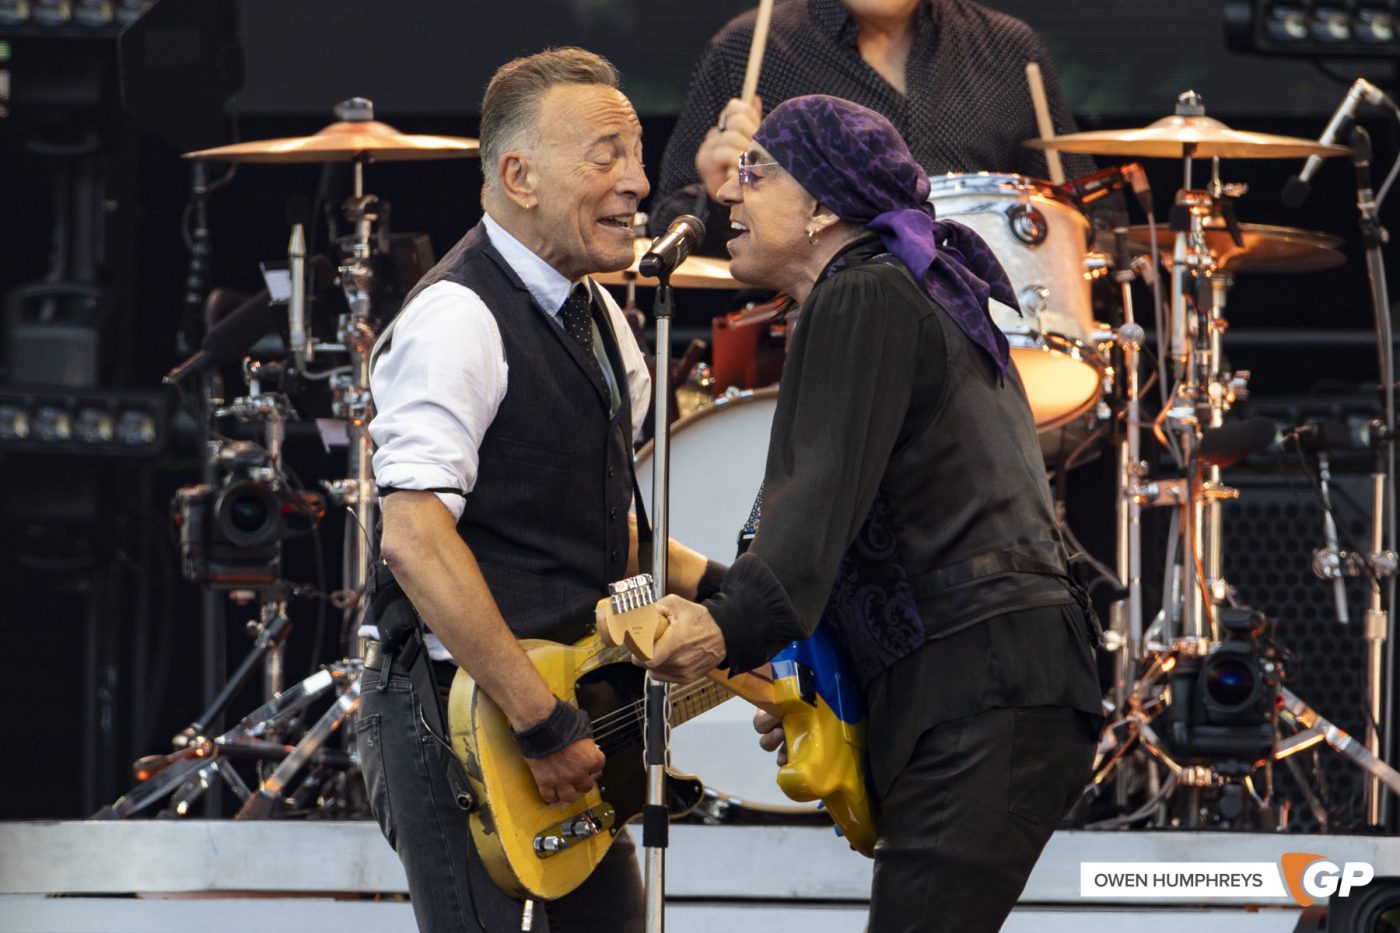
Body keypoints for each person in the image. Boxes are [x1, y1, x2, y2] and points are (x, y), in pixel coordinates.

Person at [641, 95, 1103, 933]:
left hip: (984, 690)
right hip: (997, 686)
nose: (727, 193)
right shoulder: (903, 291)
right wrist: (687, 576)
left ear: (822, 206)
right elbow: (870, 549)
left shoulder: (861, 294)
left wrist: (720, 630)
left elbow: (804, 541)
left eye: (755, 172)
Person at [360, 48, 716, 933]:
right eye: (606, 156)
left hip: (565, 709)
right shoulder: (458, 318)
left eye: (637, 155)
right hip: (468, 718)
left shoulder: (602, 321)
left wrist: (738, 598)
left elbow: (591, 528)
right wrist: (540, 720)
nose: (639, 182)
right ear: (518, 176)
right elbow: (414, 539)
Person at [649, 0, 1100, 244]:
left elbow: (1083, 211)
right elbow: (667, 223)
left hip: (989, 339)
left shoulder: (1010, 50)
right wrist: (718, 195)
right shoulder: (748, 50)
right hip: (812, 334)